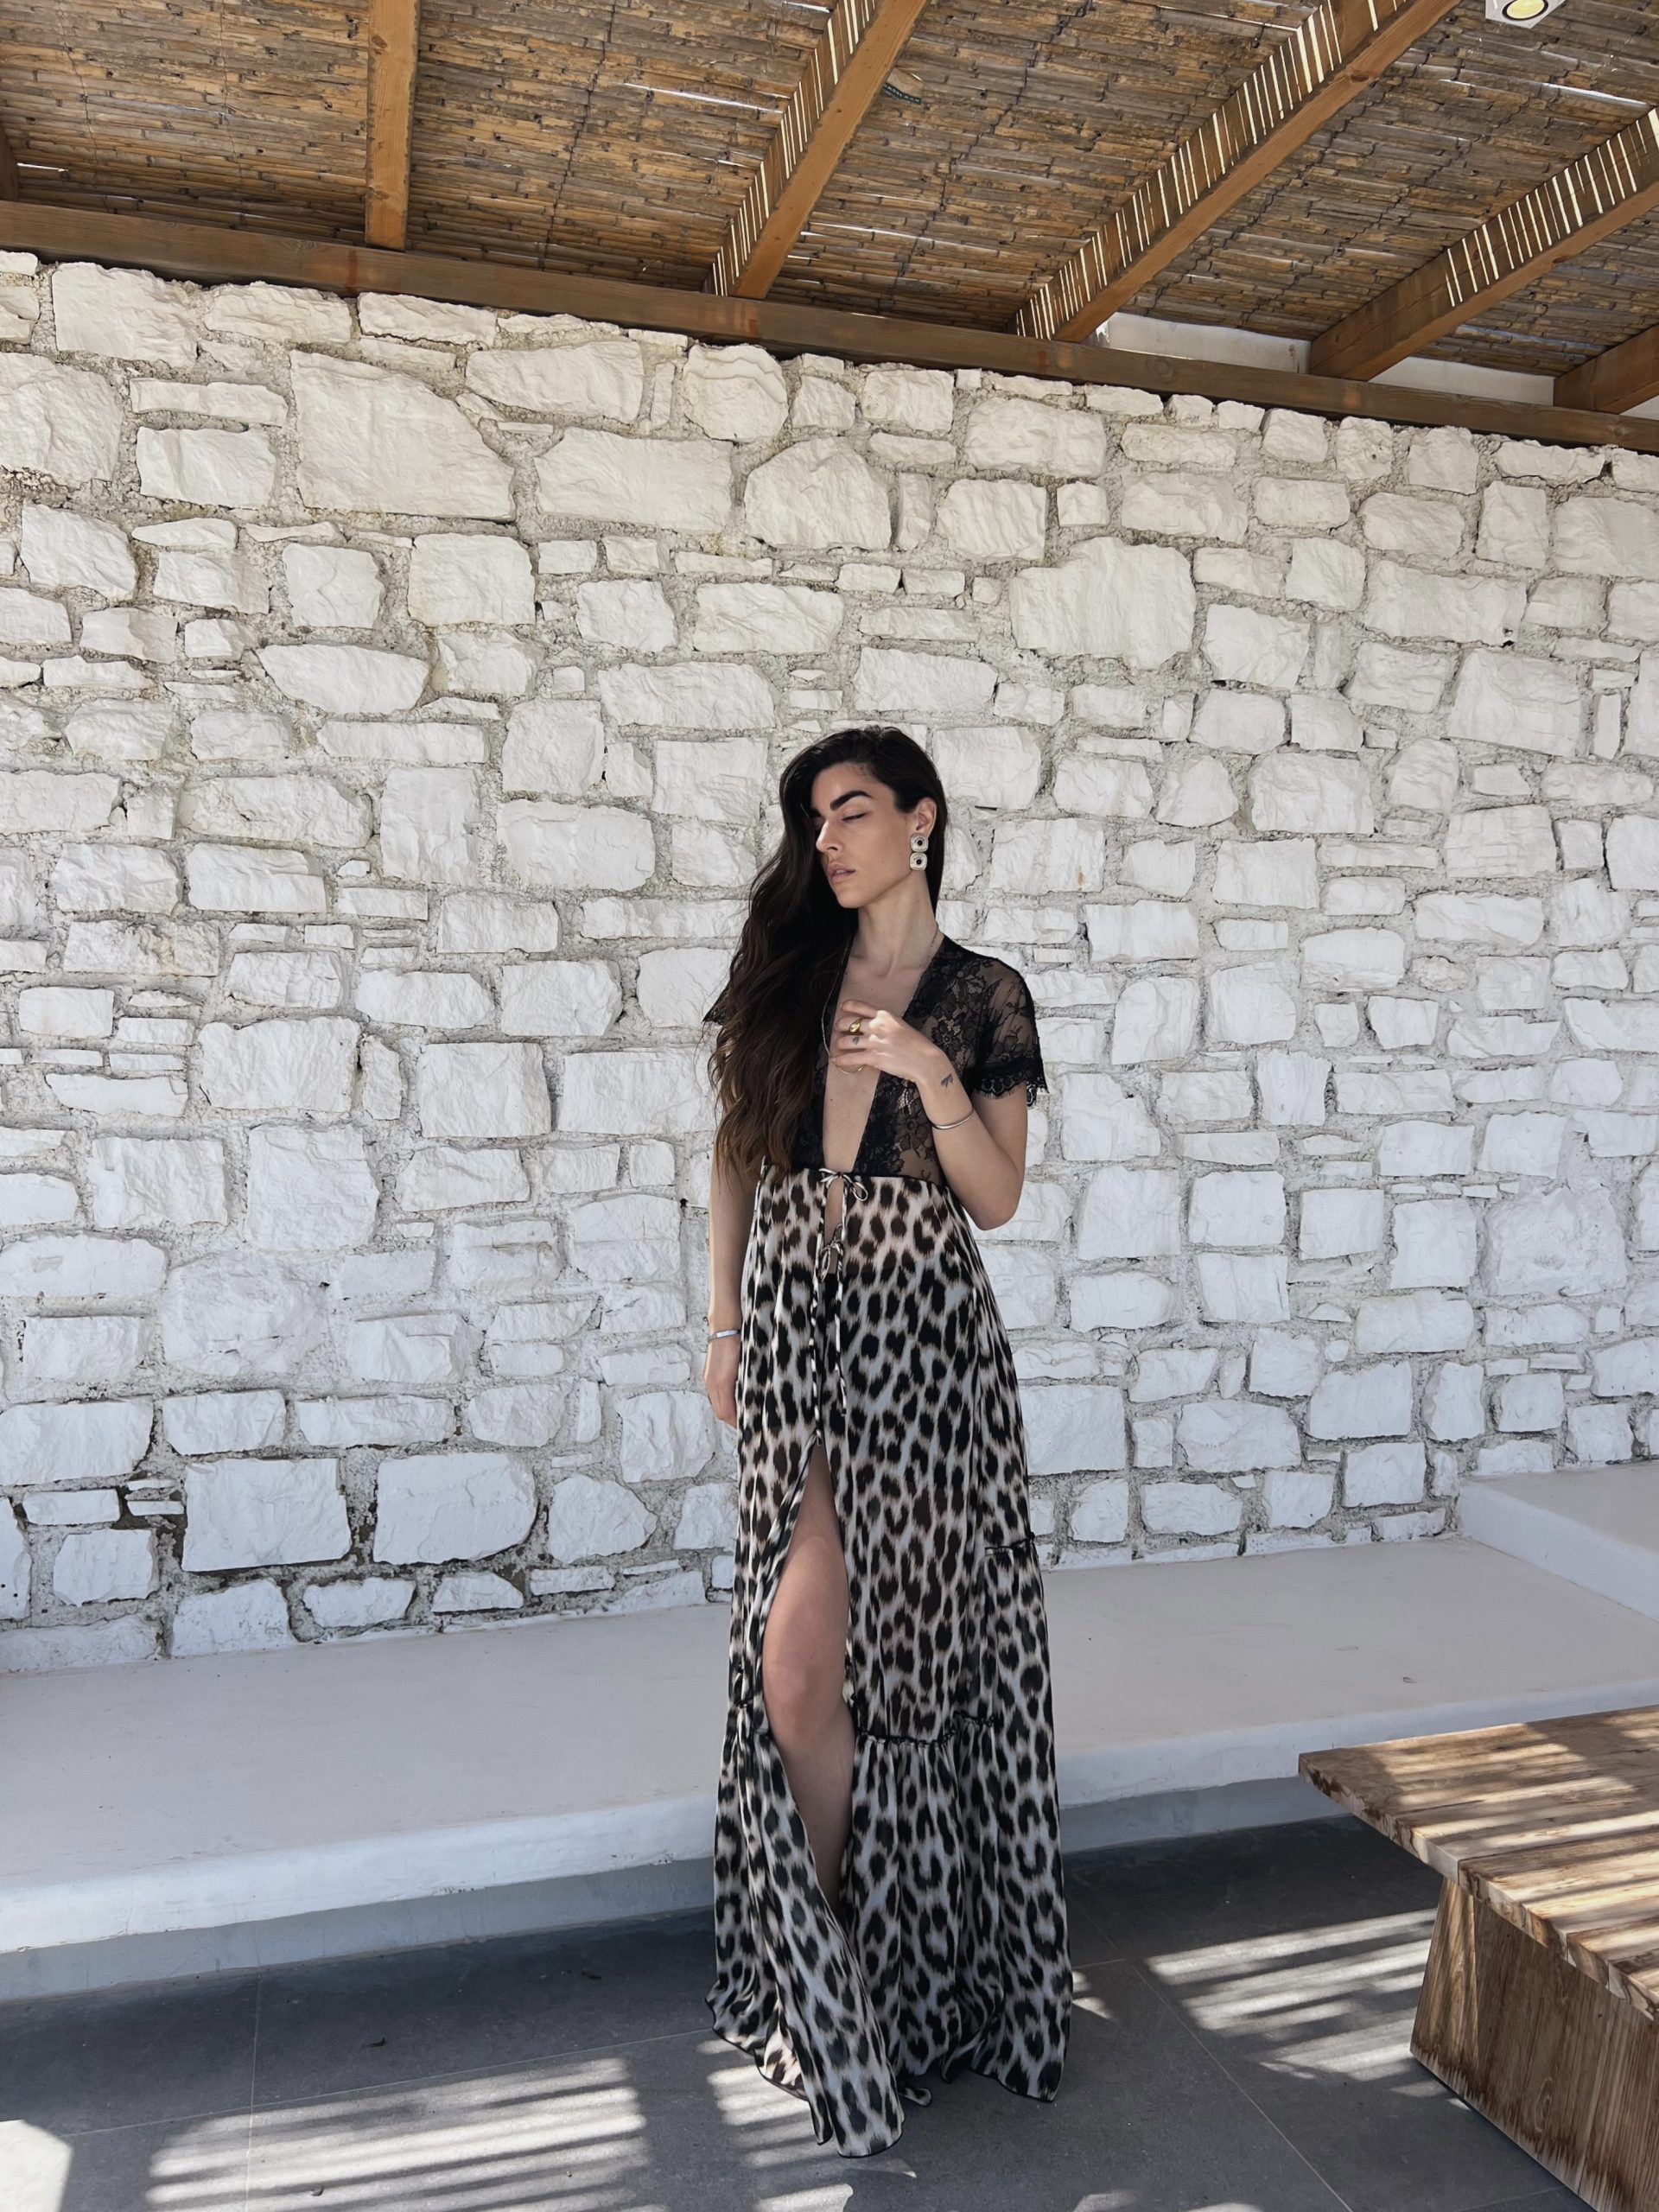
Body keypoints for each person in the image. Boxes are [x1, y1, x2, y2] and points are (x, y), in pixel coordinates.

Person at [698, 723, 1072, 2157]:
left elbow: (998, 1198)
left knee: (909, 1667)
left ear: (920, 819)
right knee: (796, 1663)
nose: (828, 840)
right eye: (813, 820)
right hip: (794, 1335)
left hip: (927, 1355)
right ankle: (822, 1966)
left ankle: (895, 1974)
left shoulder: (983, 995)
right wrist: (722, 1324)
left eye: (851, 811)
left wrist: (929, 1071)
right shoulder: (793, 977)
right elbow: (737, 1153)